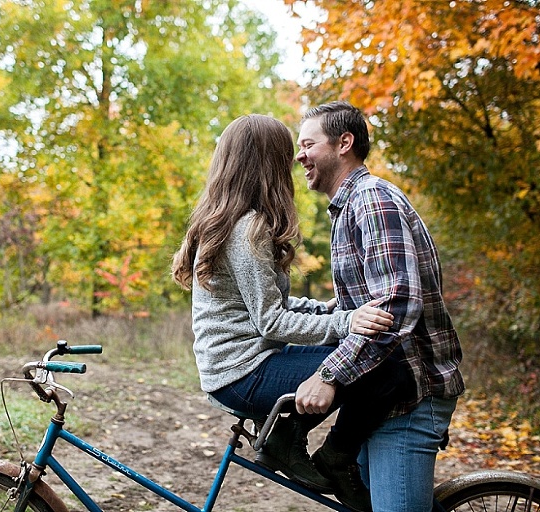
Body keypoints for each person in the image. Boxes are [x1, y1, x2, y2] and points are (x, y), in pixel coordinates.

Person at [171, 113, 413, 511]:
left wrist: (329, 310)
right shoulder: (247, 230)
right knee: (386, 366)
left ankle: (293, 437)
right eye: (288, 155)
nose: (295, 163)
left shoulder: (234, 221)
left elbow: (267, 307)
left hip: (242, 363)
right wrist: (346, 321)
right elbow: (272, 322)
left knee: (364, 355)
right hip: (241, 373)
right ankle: (330, 454)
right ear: (267, 164)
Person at [295, 101, 465, 512]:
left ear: (344, 143)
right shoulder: (349, 208)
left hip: (410, 395)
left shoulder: (371, 199)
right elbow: (358, 303)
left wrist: (329, 375)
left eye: (307, 144)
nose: (300, 155)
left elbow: (397, 303)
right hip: (386, 395)